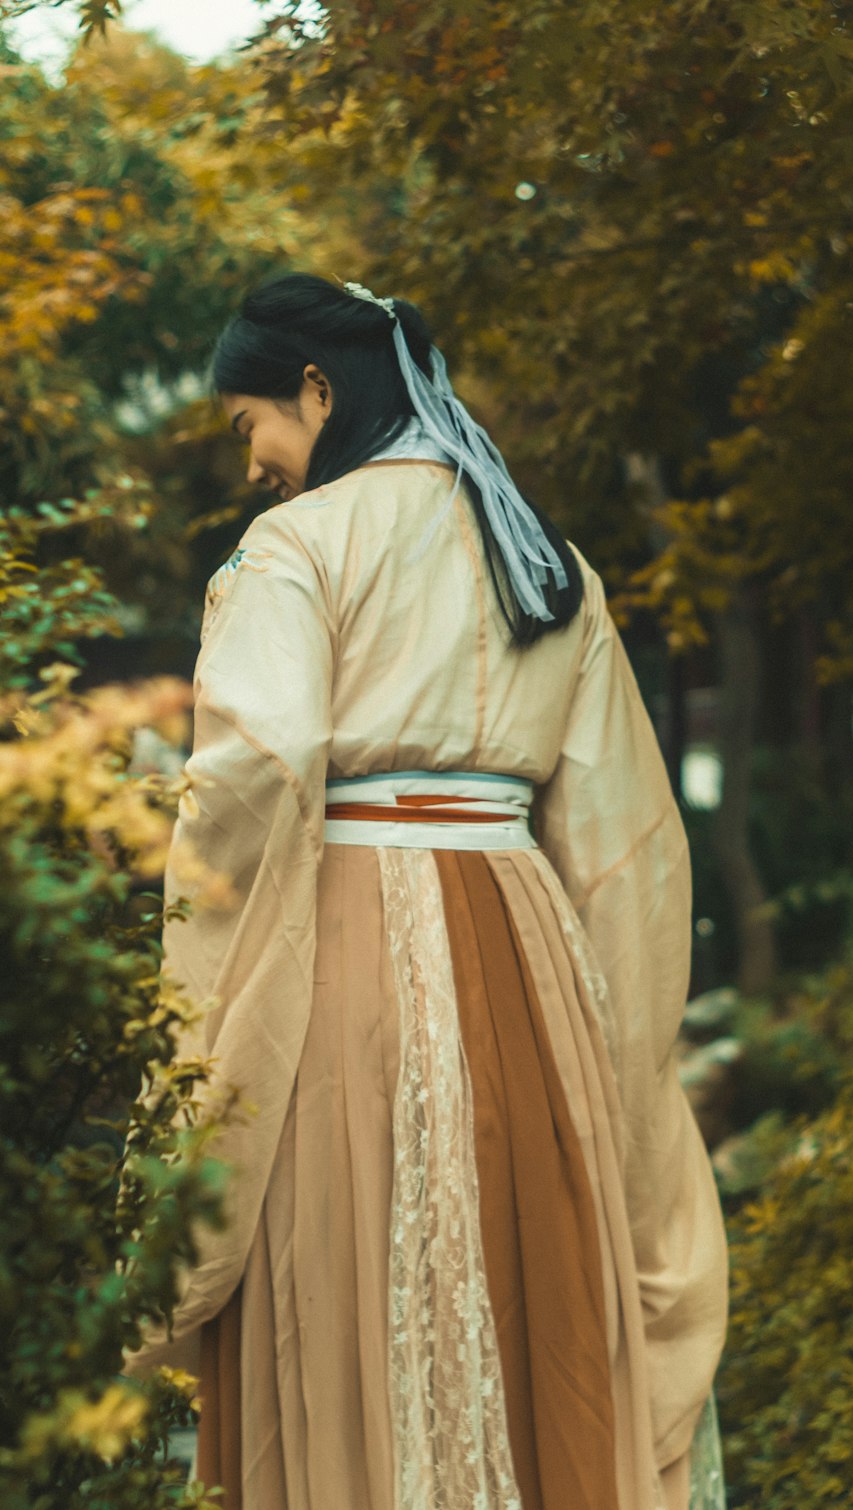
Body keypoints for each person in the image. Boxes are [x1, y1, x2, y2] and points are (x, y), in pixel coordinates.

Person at [121, 274, 728, 1510]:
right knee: (526, 1295)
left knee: (343, 1291)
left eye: (254, 427)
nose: (256, 466)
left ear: (318, 389)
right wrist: (623, 1065)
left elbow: (258, 770)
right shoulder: (542, 559)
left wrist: (188, 970)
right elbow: (624, 842)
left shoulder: (296, 547)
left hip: (347, 957)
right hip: (526, 960)